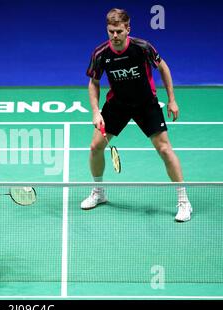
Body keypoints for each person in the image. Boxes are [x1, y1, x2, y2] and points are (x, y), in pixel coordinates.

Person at [80, 8, 193, 222]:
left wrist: (172, 99)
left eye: (119, 31)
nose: (114, 36)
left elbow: (164, 68)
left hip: (145, 104)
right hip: (118, 104)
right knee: (95, 147)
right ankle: (99, 192)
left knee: (165, 149)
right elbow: (94, 82)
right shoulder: (100, 53)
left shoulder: (142, 47)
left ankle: (183, 201)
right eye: (111, 31)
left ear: (127, 29)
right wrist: (96, 112)